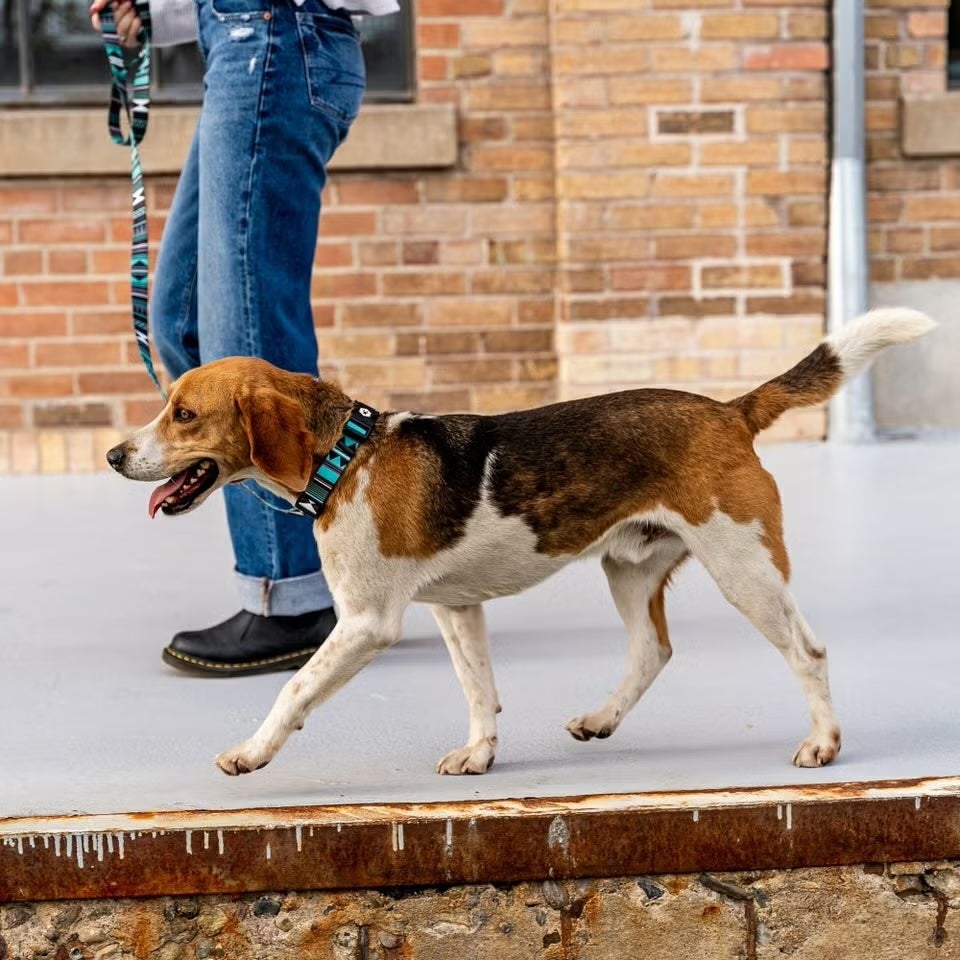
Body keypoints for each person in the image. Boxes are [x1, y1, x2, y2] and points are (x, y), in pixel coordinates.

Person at [89, 0, 398, 676]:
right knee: (185, 324)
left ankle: (292, 597)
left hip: (274, 37)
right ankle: (317, 573)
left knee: (249, 330)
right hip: (240, 46)